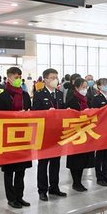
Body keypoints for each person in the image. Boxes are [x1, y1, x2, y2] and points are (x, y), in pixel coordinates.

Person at [0, 67, 33, 209]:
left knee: (21, 170)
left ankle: (19, 196)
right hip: (8, 137)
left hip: (23, 135)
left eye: (19, 76)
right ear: (9, 78)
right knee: (9, 170)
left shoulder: (24, 95)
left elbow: (31, 111)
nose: (18, 79)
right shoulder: (2, 96)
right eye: (15, 77)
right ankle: (11, 198)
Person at [33, 68, 66, 201]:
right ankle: (42, 190)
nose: (55, 80)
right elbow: (35, 112)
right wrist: (47, 112)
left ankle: (54, 187)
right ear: (45, 79)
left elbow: (63, 109)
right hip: (44, 133)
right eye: (52, 77)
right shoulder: (39, 94)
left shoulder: (58, 93)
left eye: (56, 77)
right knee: (43, 163)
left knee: (55, 162)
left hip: (57, 132)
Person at [64, 77, 94, 191]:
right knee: (75, 158)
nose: (85, 89)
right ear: (76, 87)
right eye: (83, 87)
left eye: (86, 87)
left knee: (83, 158)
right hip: (74, 132)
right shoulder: (72, 99)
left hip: (85, 131)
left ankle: (79, 181)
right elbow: (69, 114)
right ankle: (75, 182)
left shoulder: (86, 99)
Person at [91, 78, 107, 186]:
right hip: (100, 129)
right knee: (99, 155)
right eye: (103, 84)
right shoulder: (96, 98)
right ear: (99, 86)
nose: (106, 86)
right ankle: (99, 177)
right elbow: (95, 114)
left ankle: (106, 175)